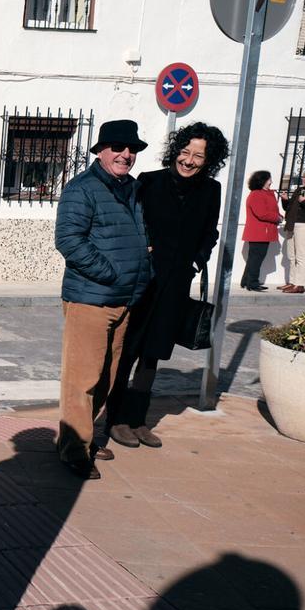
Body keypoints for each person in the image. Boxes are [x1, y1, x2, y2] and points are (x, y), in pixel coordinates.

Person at [105, 122, 227, 450]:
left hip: (175, 285)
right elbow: (134, 221)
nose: (188, 160)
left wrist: (196, 260)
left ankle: (138, 420)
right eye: (185, 152)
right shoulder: (149, 182)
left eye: (198, 156)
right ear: (176, 151)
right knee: (128, 350)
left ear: (209, 160)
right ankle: (115, 419)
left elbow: (209, 234)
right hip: (144, 281)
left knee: (154, 354)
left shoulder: (211, 190)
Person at [53, 119, 151, 480]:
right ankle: (73, 449)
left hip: (124, 299)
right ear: (101, 151)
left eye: (132, 150)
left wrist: (144, 269)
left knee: (108, 377)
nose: (126, 155)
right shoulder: (83, 189)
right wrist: (111, 272)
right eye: (119, 148)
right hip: (91, 299)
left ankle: (85, 437)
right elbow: (68, 240)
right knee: (82, 379)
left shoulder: (132, 189)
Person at [279, 167, 305, 293]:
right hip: (292, 224)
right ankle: (293, 282)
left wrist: (304, 202)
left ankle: (300, 285)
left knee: (301, 256)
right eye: (304, 177)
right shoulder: (299, 190)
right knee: (291, 256)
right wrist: (285, 200)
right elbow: (288, 208)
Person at [240, 170, 281, 291]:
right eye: (269, 179)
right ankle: (252, 283)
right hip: (259, 233)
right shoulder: (257, 194)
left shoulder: (263, 194)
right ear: (262, 181)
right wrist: (277, 218)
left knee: (254, 258)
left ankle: (246, 281)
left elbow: (270, 210)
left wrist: (279, 216)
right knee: (256, 259)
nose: (271, 182)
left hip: (263, 232)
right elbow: (262, 214)